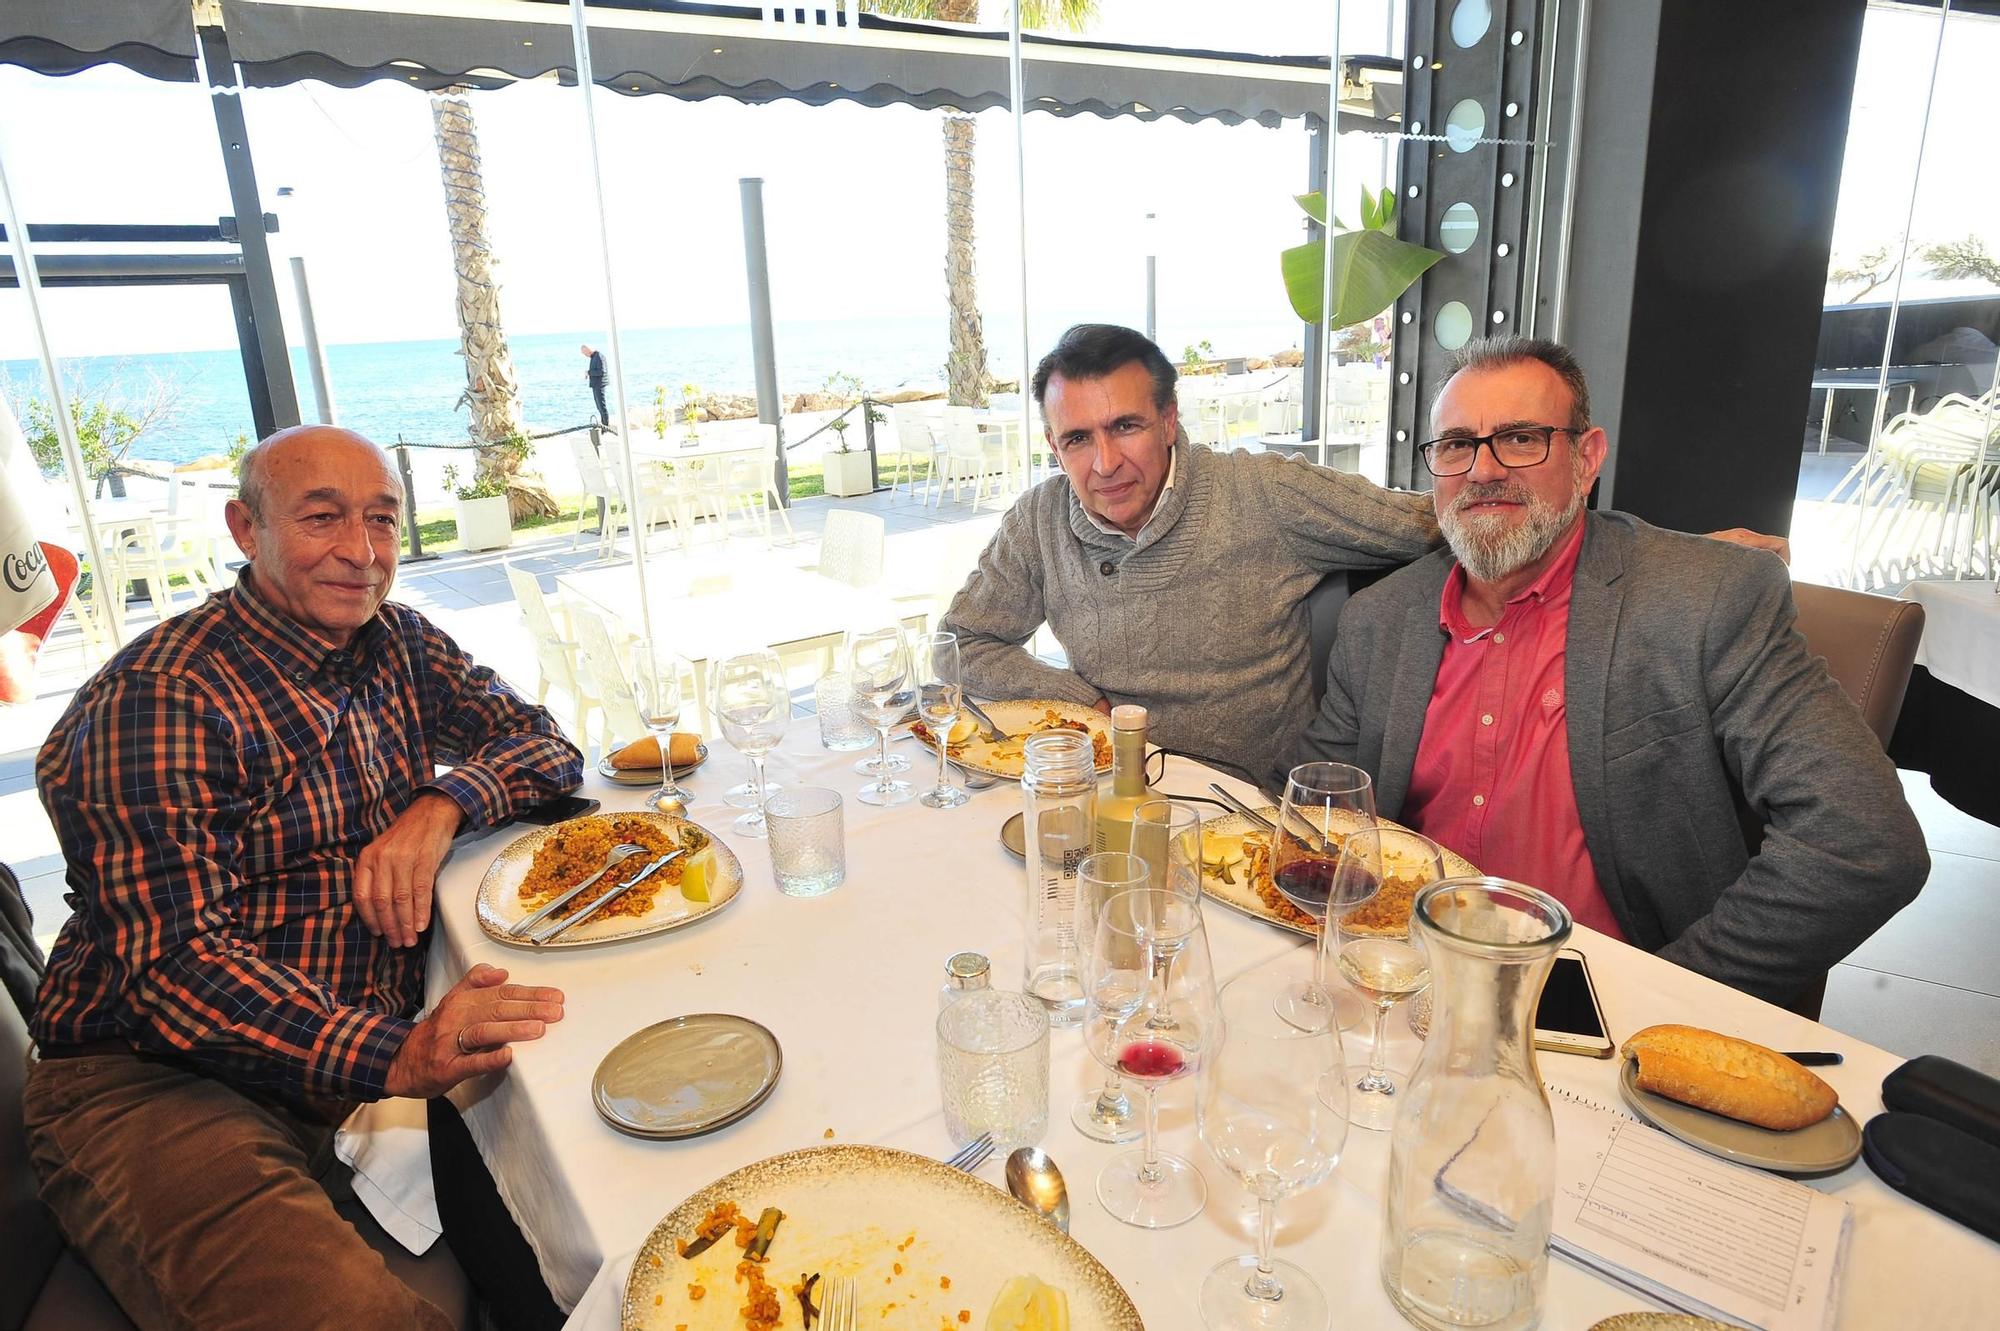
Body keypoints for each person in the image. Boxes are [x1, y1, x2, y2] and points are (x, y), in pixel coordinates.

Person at [24, 425, 583, 1329]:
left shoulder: (393, 643)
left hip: (337, 1067)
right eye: (323, 518)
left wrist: (440, 807)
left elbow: (545, 744)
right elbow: (177, 971)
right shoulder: (165, 699)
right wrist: (394, 1053)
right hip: (157, 1085)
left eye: (382, 521)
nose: (362, 553)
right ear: (247, 530)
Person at [1295, 337, 1928, 1009]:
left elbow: (1864, 843)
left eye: (1520, 438)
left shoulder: (1706, 601)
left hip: (1609, 1006)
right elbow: (1315, 813)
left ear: (1586, 458)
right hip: (1403, 983)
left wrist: (1653, 998)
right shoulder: (1381, 620)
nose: (1482, 470)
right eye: (1456, 445)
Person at [940, 323, 1442, 784]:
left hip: (1245, 802)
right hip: (1106, 783)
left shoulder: (1264, 491)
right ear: (1053, 445)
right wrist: (1080, 703)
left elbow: (1436, 523)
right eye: (1077, 439)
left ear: (1167, 419)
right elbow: (961, 642)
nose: (1105, 464)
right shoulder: (1039, 520)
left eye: (1125, 427)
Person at [581, 342, 609, 426]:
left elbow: (601, 371)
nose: (585, 355)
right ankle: (604, 426)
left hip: (600, 385)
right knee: (599, 407)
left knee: (602, 407)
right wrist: (588, 373)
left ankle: (606, 427)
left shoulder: (599, 356)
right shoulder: (593, 357)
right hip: (595, 385)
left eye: (584, 353)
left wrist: (589, 372)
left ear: (588, 350)